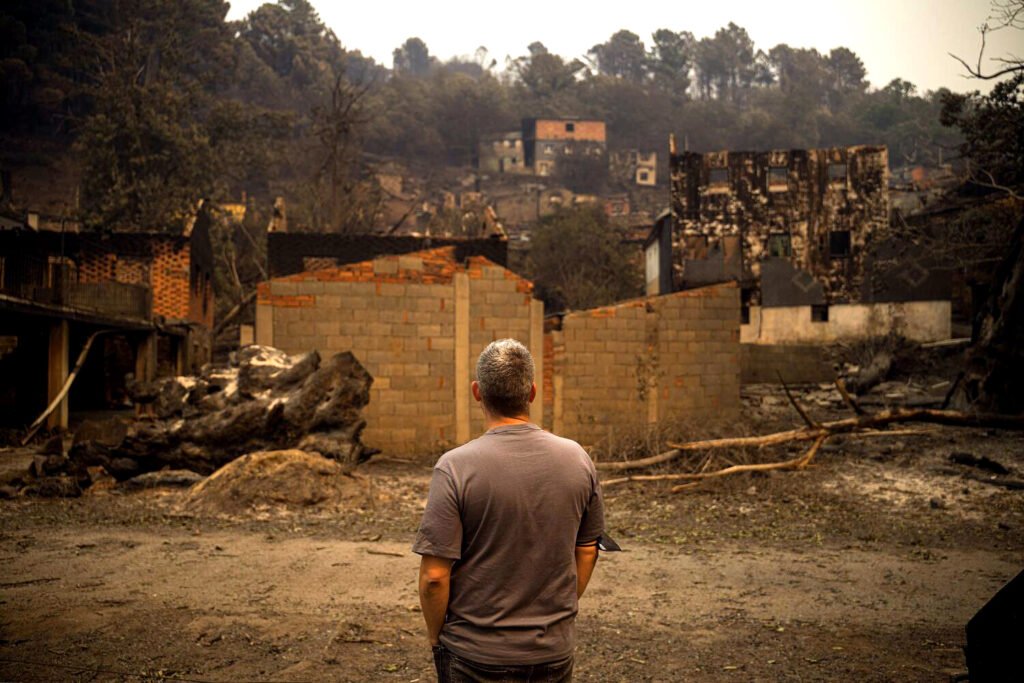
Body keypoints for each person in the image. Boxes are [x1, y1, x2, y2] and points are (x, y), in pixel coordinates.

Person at [413, 338, 604, 682]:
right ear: (532, 392)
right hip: (553, 653)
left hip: (475, 656)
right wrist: (553, 617)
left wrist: (434, 635)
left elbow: (434, 578)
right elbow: (587, 551)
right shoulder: (578, 458)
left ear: (477, 392)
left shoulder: (455, 467)